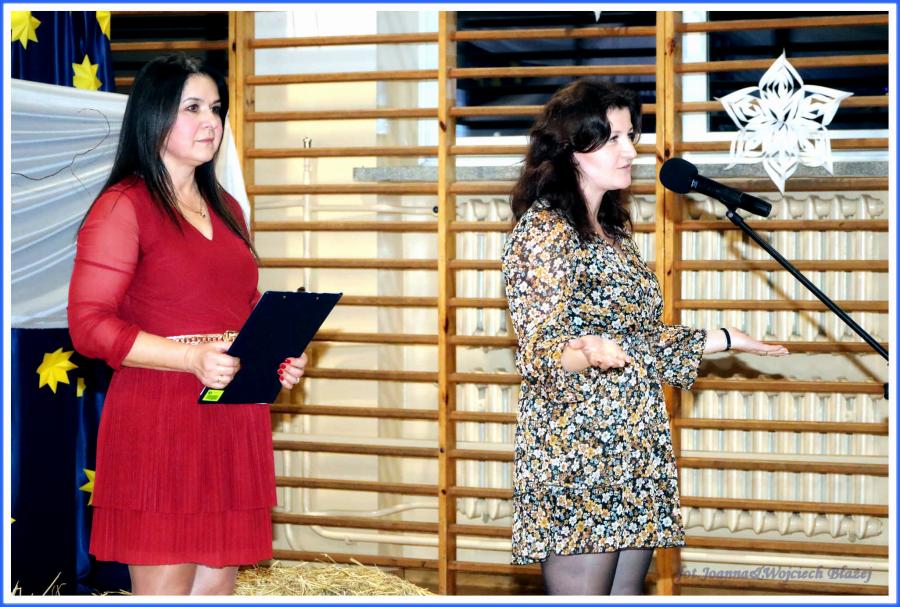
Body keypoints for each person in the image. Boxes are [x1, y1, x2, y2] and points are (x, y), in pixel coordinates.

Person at [500, 79, 788, 596]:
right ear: (570, 150)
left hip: (635, 441)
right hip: (579, 450)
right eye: (612, 138)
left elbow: (637, 339)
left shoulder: (614, 231)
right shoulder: (544, 231)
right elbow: (539, 351)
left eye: (630, 135)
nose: (631, 150)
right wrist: (583, 350)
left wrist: (722, 338)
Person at [67, 54, 307, 595]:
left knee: (216, 591)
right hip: (159, 416)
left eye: (216, 109)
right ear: (154, 116)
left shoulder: (228, 208)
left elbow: (240, 307)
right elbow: (88, 325)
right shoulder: (122, 206)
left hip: (231, 417)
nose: (211, 122)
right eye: (192, 108)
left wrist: (280, 352)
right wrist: (189, 358)